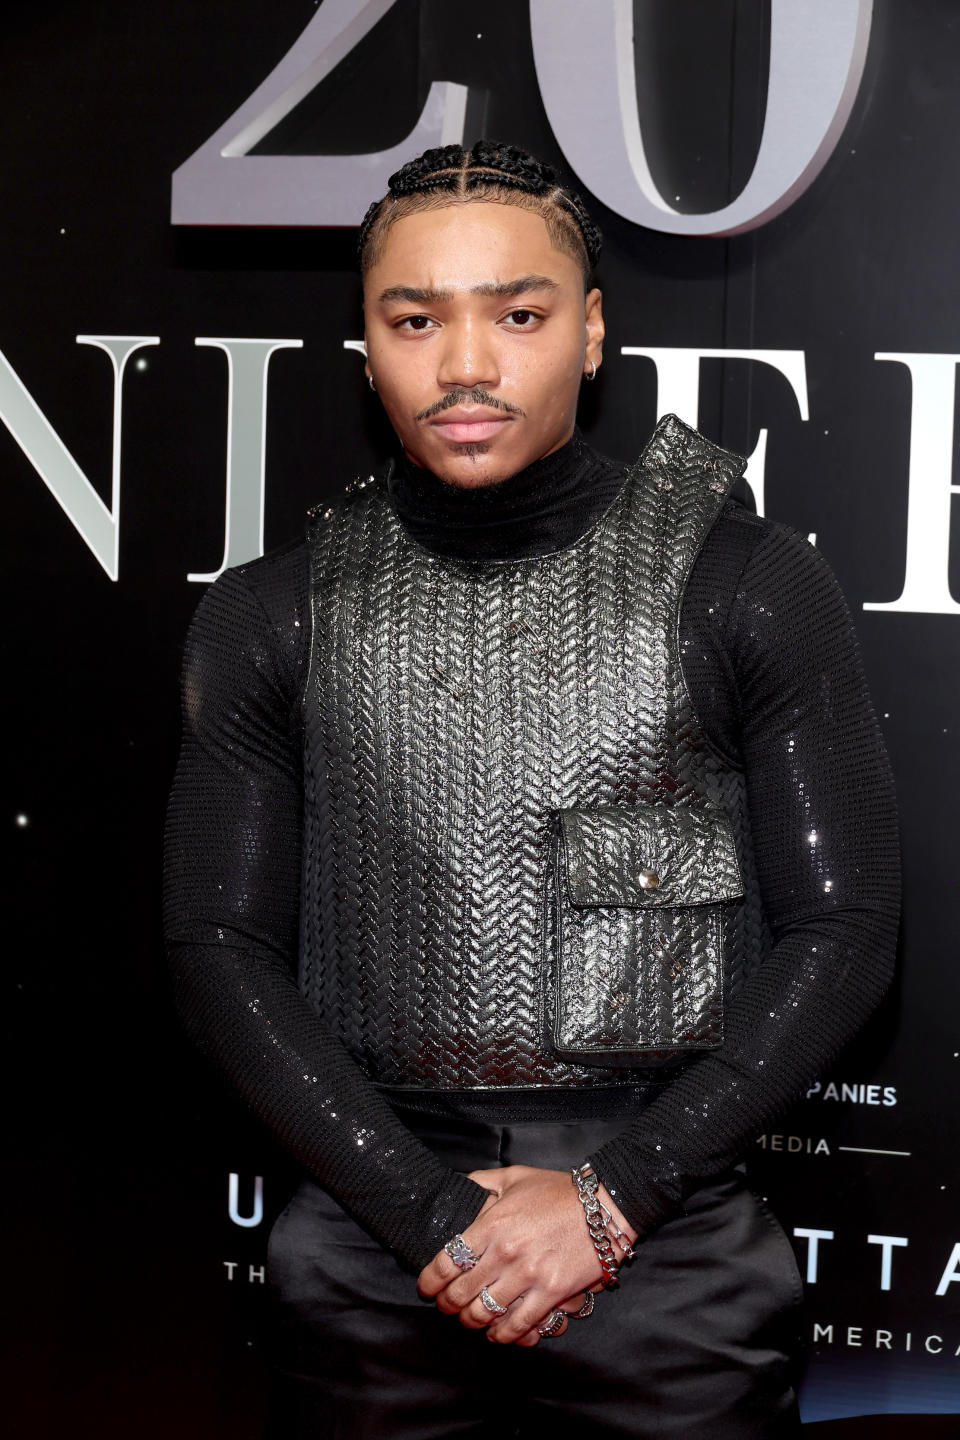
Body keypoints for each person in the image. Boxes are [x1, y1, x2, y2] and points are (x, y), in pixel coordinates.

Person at [163, 140, 900, 1438]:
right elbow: (218, 947)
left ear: (593, 329)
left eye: (517, 313)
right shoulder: (271, 614)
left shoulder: (749, 585)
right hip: (369, 1235)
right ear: (368, 343)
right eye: (414, 318)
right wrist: (425, 1214)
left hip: (672, 1247)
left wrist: (615, 1197)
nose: (464, 364)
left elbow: (845, 931)